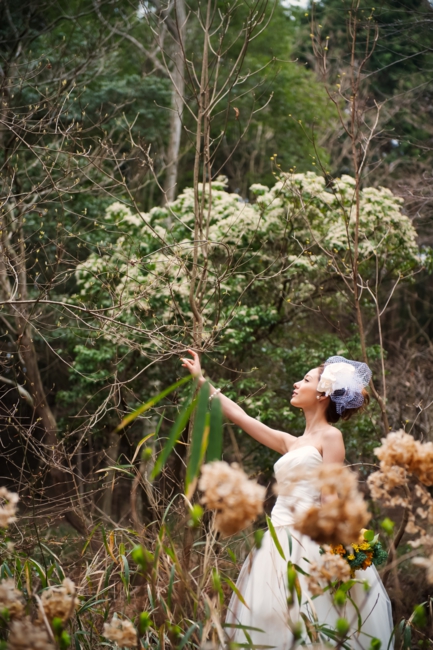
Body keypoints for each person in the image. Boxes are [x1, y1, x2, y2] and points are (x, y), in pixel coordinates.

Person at [181, 350, 394, 649]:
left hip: (309, 541)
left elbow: (329, 496)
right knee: (271, 621)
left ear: (323, 394)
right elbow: (242, 417)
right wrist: (201, 380)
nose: (296, 383)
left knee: (312, 621)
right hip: (276, 543)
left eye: (305, 379)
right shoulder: (291, 442)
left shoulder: (331, 437)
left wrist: (344, 547)